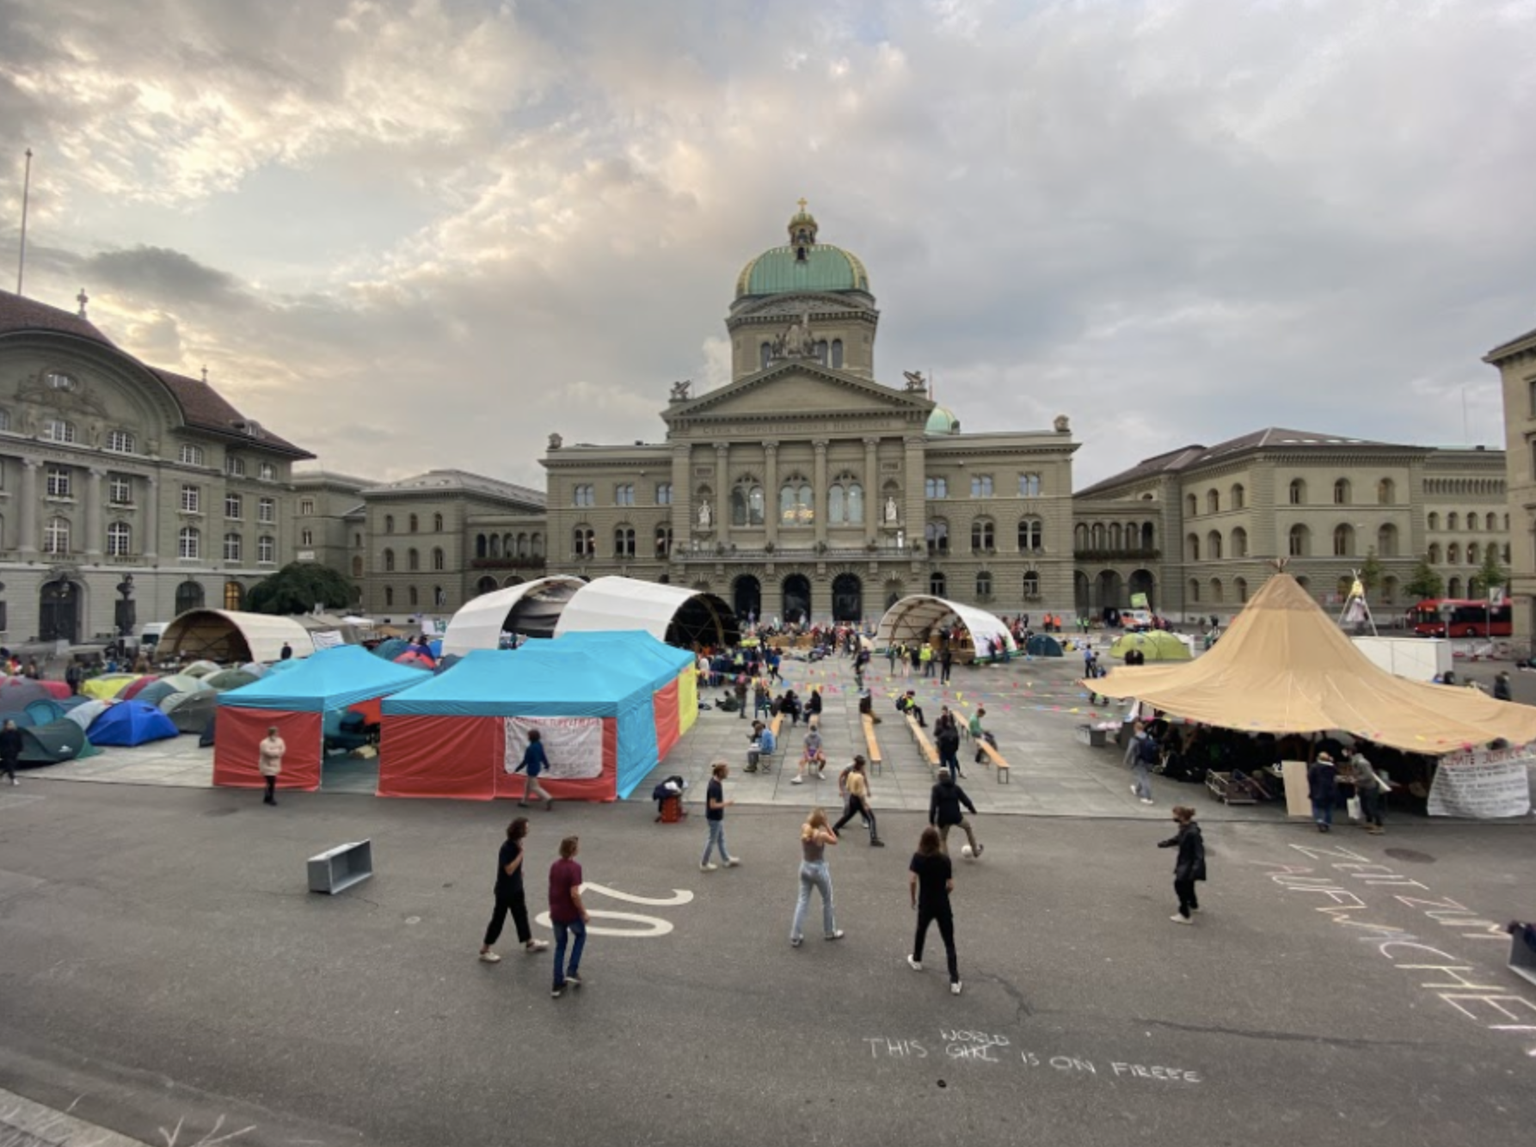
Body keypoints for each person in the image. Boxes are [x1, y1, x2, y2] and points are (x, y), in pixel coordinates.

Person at [479, 817, 550, 962]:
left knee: (521, 915)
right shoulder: (508, 847)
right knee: (498, 919)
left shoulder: (518, 843)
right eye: (526, 827)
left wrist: (520, 871)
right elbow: (509, 869)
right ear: (519, 830)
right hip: (505, 891)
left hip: (516, 887)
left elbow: (515, 869)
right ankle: (485, 949)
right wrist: (520, 855)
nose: (528, 830)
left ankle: (529, 942)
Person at [907, 826, 961, 994]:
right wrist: (944, 894)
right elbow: (951, 885)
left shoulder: (918, 857)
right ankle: (954, 980)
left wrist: (913, 898)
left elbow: (913, 880)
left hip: (926, 902)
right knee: (949, 941)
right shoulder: (945, 860)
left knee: (921, 930)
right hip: (942, 903)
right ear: (937, 842)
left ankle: (917, 959)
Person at [790, 808, 842, 946]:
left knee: (802, 901)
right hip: (818, 869)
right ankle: (829, 931)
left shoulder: (804, 828)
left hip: (804, 867)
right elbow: (835, 840)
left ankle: (795, 935)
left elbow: (808, 828)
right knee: (827, 899)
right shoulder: (821, 835)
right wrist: (827, 825)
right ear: (820, 821)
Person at [549, 835, 589, 998]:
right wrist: (583, 912)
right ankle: (572, 969)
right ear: (573, 850)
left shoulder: (554, 866)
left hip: (556, 910)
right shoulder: (574, 868)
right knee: (580, 935)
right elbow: (574, 894)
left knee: (560, 945)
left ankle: (557, 983)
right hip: (570, 912)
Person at [1158, 806, 1206, 924]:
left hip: (1188, 864)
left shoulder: (1192, 832)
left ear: (1182, 817)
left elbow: (1199, 852)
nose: (1173, 817)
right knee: (1188, 885)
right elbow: (1178, 838)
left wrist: (1195, 869)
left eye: (1174, 815)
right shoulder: (1186, 828)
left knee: (1180, 885)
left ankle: (1185, 914)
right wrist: (1165, 843)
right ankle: (1193, 904)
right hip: (1186, 862)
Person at [832, 756, 884, 846]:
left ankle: (835, 828)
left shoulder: (851, 773)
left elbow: (847, 786)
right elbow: (860, 793)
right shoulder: (859, 777)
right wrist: (864, 804)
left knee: (849, 815)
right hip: (858, 799)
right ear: (861, 765)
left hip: (852, 797)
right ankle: (873, 838)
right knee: (871, 818)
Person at [928, 770, 981, 857]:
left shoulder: (936, 789)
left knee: (942, 839)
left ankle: (945, 859)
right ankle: (975, 850)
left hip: (943, 819)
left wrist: (932, 821)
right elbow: (965, 800)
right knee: (968, 828)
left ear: (939, 778)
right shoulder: (955, 787)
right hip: (956, 817)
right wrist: (972, 810)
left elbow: (933, 806)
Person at [700, 761, 740, 871]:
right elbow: (712, 805)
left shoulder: (715, 782)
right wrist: (727, 803)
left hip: (717, 816)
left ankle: (726, 859)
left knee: (720, 839)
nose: (728, 773)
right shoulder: (714, 787)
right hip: (714, 817)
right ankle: (704, 863)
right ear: (720, 772)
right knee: (712, 840)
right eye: (726, 771)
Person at [1349, 746, 1390, 836]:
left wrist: (1356, 780)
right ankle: (1369, 822)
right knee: (1364, 806)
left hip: (1370, 787)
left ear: (1350, 752)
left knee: (1372, 807)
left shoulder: (1362, 762)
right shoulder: (1354, 761)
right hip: (1363, 787)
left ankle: (1379, 825)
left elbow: (1368, 775)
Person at [513, 729, 554, 811]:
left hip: (531, 769)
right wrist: (546, 764)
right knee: (527, 785)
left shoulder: (530, 748)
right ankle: (524, 801)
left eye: (528, 736)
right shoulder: (539, 745)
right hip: (536, 767)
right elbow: (543, 756)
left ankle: (548, 798)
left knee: (535, 787)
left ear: (531, 738)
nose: (527, 737)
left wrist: (517, 769)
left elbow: (525, 761)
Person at [1124, 721, 1156, 804]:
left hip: (1140, 760)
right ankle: (1137, 789)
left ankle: (1148, 797)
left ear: (1135, 728)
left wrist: (1126, 760)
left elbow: (1130, 750)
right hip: (1150, 760)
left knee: (1143, 778)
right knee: (1143, 775)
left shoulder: (1135, 738)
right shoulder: (1148, 736)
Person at [1308, 751, 1338, 833]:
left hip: (1318, 790)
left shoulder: (1315, 767)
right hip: (1330, 790)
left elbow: (1310, 777)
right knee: (1328, 808)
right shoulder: (1333, 767)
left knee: (1316, 807)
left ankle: (1319, 820)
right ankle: (1327, 823)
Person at [258, 725, 285, 805]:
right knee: (272, 781)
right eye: (276, 732)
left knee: (270, 782)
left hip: (275, 765)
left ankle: (266, 797)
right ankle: (271, 798)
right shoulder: (264, 742)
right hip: (266, 765)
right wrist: (277, 752)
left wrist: (276, 751)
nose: (277, 734)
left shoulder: (280, 740)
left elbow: (283, 749)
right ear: (271, 733)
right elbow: (267, 752)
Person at [935, 714, 962, 780]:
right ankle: (953, 780)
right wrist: (955, 749)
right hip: (952, 751)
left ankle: (943, 779)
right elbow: (957, 740)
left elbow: (936, 735)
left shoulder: (941, 729)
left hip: (943, 751)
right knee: (952, 767)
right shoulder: (953, 728)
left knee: (943, 766)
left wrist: (939, 749)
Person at [0, 718, 22, 786]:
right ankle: (13, 779)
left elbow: (19, 741)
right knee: (10, 765)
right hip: (6, 752)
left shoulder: (16, 733)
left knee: (11, 765)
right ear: (6, 725)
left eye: (12, 724)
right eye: (9, 724)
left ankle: (1, 773)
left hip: (14, 751)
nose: (11, 725)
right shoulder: (2, 733)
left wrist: (20, 749)